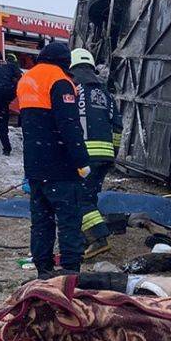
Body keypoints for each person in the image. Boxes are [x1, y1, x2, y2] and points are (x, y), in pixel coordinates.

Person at [19, 42, 92, 279]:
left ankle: (43, 269)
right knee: (69, 219)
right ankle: (70, 271)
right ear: (64, 61)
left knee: (41, 221)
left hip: (35, 165)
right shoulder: (60, 81)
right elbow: (68, 125)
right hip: (60, 165)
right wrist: (81, 160)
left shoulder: (27, 79)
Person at [69, 47, 122, 261]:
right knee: (89, 196)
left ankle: (98, 238)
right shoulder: (106, 93)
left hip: (84, 154)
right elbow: (118, 126)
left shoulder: (72, 88)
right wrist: (112, 152)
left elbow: (67, 122)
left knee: (78, 198)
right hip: (105, 156)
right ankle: (84, 238)